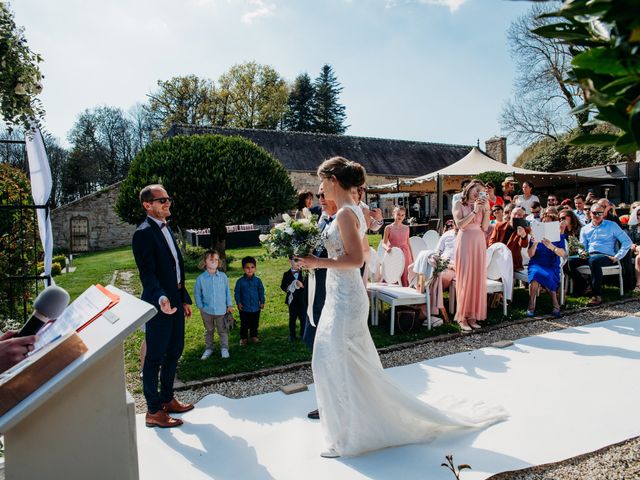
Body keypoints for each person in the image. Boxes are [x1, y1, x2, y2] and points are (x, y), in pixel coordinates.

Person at [298, 157, 506, 458]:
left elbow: (357, 259)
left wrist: (316, 262)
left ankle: (348, 434)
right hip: (339, 293)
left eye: (322, 181)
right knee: (337, 360)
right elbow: (359, 251)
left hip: (345, 297)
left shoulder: (345, 213)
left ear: (333, 180)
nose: (319, 188)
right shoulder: (350, 210)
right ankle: (351, 425)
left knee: (335, 360)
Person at [132, 184, 194, 429]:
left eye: (169, 198)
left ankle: (167, 399)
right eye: (162, 200)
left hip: (176, 302)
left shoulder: (167, 229)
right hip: (159, 305)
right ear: (148, 205)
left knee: (174, 352)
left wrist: (184, 298)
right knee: (154, 358)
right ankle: (153, 410)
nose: (168, 203)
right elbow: (147, 275)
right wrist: (160, 298)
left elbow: (175, 269)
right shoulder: (143, 233)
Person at [303, 185, 338, 420]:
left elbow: (354, 257)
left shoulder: (344, 218)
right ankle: (326, 398)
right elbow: (316, 247)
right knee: (314, 342)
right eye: (318, 195)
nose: (319, 200)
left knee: (329, 346)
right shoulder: (323, 219)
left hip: (332, 287)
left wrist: (317, 262)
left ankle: (334, 401)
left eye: (323, 195)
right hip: (316, 287)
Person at [568, 203, 632, 306]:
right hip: (589, 255)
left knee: (594, 260)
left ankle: (596, 295)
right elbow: (582, 246)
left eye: (600, 213)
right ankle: (583, 284)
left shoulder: (611, 225)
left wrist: (617, 256)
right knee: (568, 262)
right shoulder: (585, 228)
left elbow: (627, 242)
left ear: (603, 214)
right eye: (594, 213)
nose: (597, 215)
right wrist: (582, 253)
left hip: (606, 256)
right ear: (590, 213)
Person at [453, 179, 490, 331]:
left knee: (476, 278)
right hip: (465, 241)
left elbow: (485, 227)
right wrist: (474, 210)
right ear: (469, 189)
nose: (478, 193)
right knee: (465, 279)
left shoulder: (481, 206)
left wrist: (486, 210)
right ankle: (462, 316)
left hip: (479, 242)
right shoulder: (458, 204)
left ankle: (473, 315)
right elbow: (459, 224)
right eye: (477, 190)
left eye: (481, 191)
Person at [526, 211, 567, 318]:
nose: (545, 224)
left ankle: (555, 302)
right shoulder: (535, 235)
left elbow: (563, 254)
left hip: (551, 264)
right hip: (536, 263)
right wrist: (535, 243)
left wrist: (551, 246)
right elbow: (530, 255)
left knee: (548, 275)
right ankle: (531, 303)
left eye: (548, 223)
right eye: (543, 222)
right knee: (535, 274)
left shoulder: (559, 236)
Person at [193, 250, 233, 360]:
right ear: (205, 262)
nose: (214, 261)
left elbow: (227, 291)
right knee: (209, 330)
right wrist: (201, 306)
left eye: (216, 259)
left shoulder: (223, 277)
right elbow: (197, 293)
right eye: (211, 260)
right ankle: (209, 348)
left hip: (222, 310)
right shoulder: (200, 279)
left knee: (222, 330)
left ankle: (224, 348)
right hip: (207, 310)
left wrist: (229, 304)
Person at [234, 256, 265, 345]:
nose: (250, 270)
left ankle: (254, 336)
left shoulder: (258, 281)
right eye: (247, 268)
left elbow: (261, 291)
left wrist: (262, 301)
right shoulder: (240, 281)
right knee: (244, 324)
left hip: (256, 307)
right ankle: (243, 338)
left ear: (255, 268)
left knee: (254, 323)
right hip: (244, 308)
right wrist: (238, 302)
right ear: (243, 268)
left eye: (252, 267)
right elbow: (237, 293)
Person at [489, 206, 530, 273]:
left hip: (513, 261)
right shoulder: (499, 226)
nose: (516, 216)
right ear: (510, 213)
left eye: (519, 215)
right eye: (515, 213)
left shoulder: (524, 228)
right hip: (498, 257)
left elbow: (524, 245)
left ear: (523, 217)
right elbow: (492, 242)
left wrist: (523, 235)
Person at [381, 206, 413, 286]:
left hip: (405, 253)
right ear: (393, 214)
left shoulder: (406, 228)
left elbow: (408, 243)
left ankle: (405, 288)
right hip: (394, 252)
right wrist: (387, 248)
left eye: (403, 215)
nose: (400, 217)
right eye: (398, 214)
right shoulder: (388, 228)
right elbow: (383, 243)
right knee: (394, 271)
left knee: (405, 271)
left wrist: (411, 257)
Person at [280, 257, 307, 342]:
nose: (298, 262)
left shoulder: (304, 273)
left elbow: (308, 285)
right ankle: (292, 335)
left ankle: (303, 334)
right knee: (292, 318)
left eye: (299, 260)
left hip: (302, 299)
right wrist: (289, 287)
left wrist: (302, 285)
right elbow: (283, 286)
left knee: (303, 317)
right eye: (295, 261)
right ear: (289, 261)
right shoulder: (286, 274)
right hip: (292, 301)